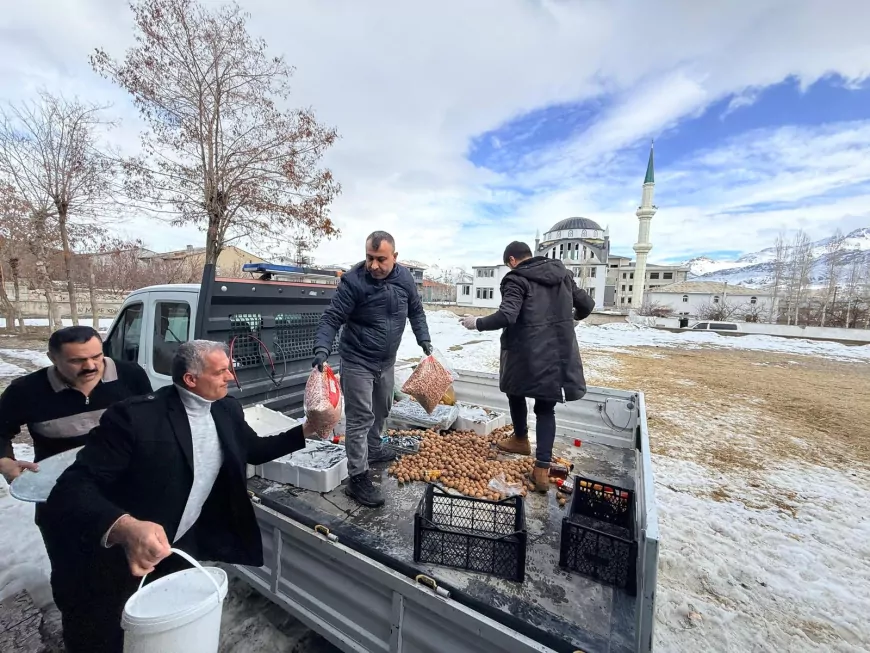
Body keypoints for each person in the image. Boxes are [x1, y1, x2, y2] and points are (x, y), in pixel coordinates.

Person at [42, 340, 316, 653]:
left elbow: (253, 449)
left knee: (165, 627)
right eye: (221, 371)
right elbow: (72, 487)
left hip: (179, 544)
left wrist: (306, 430)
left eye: (229, 368)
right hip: (122, 553)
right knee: (108, 634)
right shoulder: (135, 418)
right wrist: (125, 527)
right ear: (190, 379)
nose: (231, 377)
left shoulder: (225, 409)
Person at [459, 241, 594, 492]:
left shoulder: (516, 278)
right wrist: (572, 319)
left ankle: (521, 438)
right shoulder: (562, 275)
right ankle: (541, 469)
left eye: (507, 264)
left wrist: (476, 322)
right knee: (545, 407)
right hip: (557, 352)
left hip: (524, 351)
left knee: (515, 391)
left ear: (512, 260)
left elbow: (507, 315)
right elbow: (587, 305)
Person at [312, 231, 432, 507]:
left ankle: (374, 448)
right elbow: (332, 318)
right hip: (357, 360)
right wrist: (322, 348)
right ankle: (357, 478)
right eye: (369, 258)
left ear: (395, 257)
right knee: (360, 418)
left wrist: (423, 338)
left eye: (381, 259)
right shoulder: (354, 281)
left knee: (382, 408)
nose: (374, 265)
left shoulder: (404, 279)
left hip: (386, 361)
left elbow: (416, 311)